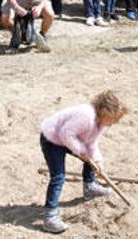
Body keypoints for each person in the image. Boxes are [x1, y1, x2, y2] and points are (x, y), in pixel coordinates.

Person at [39, 90, 129, 234]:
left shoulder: (101, 123)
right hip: (52, 139)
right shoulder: (86, 116)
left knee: (91, 158)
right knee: (58, 177)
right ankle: (49, 216)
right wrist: (82, 152)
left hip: (67, 139)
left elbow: (92, 144)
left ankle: (90, 187)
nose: (115, 123)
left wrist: (98, 163)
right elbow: (65, 133)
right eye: (115, 119)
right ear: (105, 111)